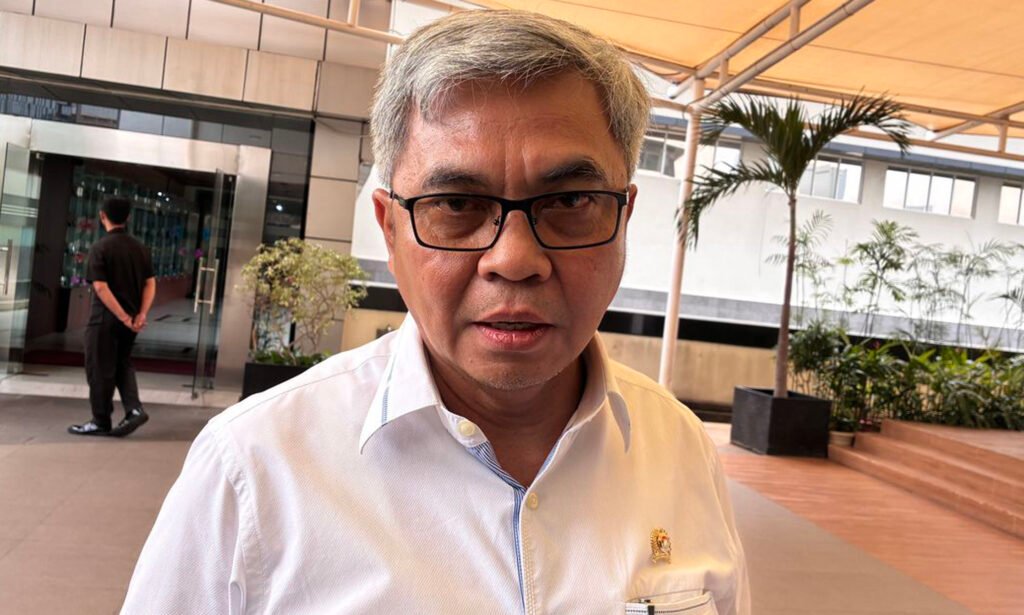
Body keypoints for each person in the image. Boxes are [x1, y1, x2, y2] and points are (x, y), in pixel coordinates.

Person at [122, 10, 749, 614]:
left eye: (569, 201)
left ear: (624, 218)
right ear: (389, 228)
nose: (514, 259)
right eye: (455, 204)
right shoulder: (253, 469)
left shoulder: (680, 450)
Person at [68, 196, 154, 438]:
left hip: (104, 320)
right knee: (122, 364)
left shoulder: (100, 248)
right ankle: (134, 410)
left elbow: (101, 287)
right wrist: (140, 315)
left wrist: (123, 316)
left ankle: (100, 420)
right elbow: (150, 283)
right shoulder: (141, 248)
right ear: (128, 218)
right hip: (131, 321)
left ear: (102, 216)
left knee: (99, 369)